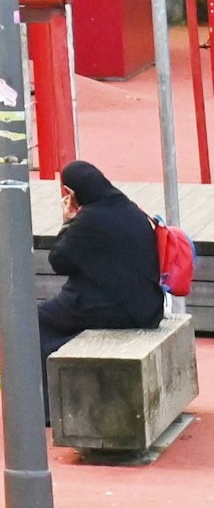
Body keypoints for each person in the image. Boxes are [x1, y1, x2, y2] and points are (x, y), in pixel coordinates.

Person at [37, 160, 165, 416]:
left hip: (115, 310)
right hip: (149, 308)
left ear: (71, 193)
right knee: (64, 315)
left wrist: (68, 221)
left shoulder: (90, 219)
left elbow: (58, 261)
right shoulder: (131, 209)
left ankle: (48, 408)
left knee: (36, 322)